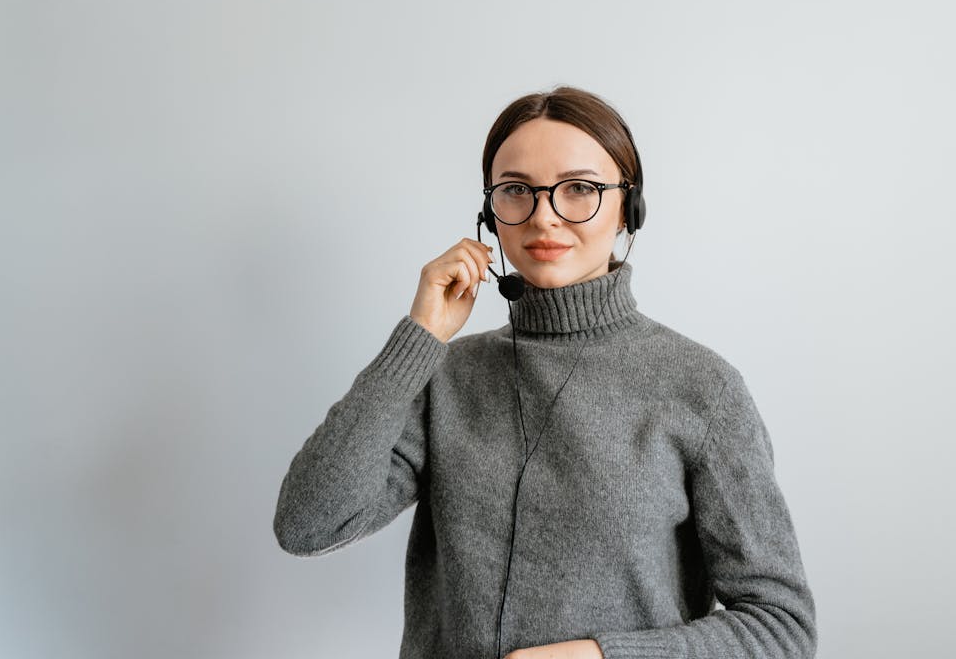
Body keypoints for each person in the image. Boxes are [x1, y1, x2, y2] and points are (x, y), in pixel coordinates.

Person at [273, 86, 817, 659]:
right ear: (489, 216)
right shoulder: (445, 377)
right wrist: (419, 338)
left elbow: (780, 628)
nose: (543, 217)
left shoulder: (702, 388)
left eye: (579, 188)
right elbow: (308, 525)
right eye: (516, 191)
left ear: (629, 208)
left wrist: (602, 657)